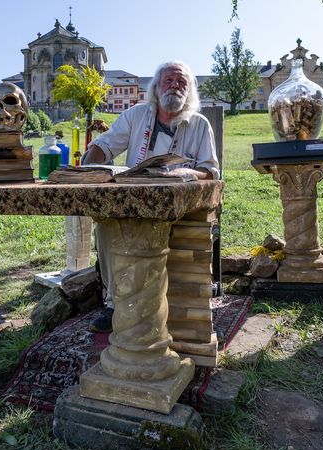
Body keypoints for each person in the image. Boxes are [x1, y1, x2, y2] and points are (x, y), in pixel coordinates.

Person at [83, 61, 220, 333]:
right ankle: (115, 304)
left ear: (190, 90)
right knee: (105, 222)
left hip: (179, 206)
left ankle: (156, 304)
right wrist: (90, 163)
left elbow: (211, 171)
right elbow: (105, 145)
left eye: (182, 82)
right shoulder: (136, 115)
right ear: (156, 87)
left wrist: (187, 172)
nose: (175, 86)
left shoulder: (200, 124)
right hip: (134, 201)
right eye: (168, 81)